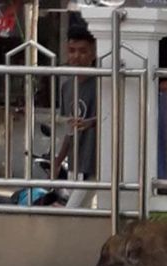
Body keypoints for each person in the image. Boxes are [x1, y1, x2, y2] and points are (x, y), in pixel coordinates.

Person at [53, 24, 98, 208]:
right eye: (72, 51)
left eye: (82, 51)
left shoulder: (102, 83)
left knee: (72, 210)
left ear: (93, 53)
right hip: (76, 163)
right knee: (82, 215)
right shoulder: (67, 87)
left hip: (97, 162)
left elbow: (114, 117)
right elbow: (69, 130)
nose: (76, 56)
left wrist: (90, 123)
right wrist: (58, 159)